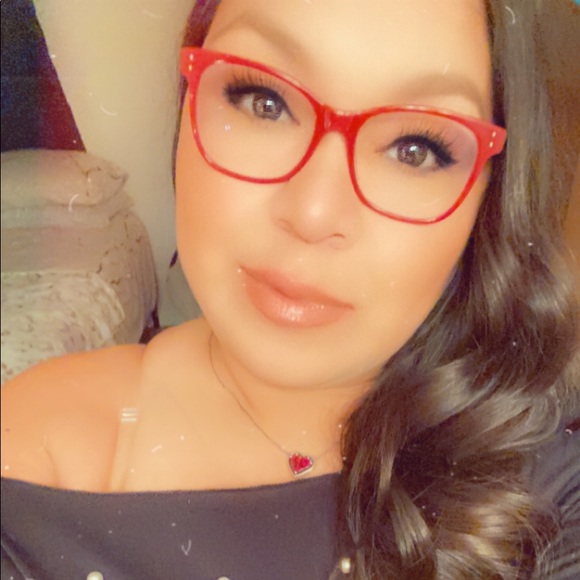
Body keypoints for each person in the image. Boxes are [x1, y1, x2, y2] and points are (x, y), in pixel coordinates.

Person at [2, 0, 579, 578]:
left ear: (492, 197)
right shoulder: (35, 458)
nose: (312, 213)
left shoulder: (543, 487)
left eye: (415, 149)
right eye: (265, 101)